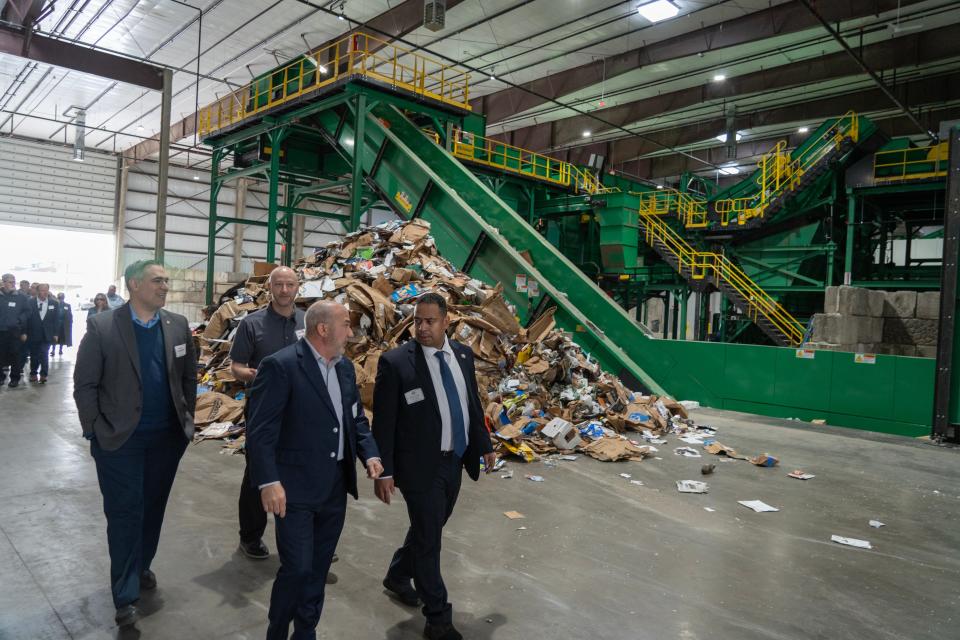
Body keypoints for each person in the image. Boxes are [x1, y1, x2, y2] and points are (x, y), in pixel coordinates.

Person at [246, 300, 382, 640]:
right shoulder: (281, 366)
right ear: (323, 329)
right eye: (346, 325)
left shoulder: (345, 369)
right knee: (297, 568)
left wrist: (370, 455)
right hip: (293, 489)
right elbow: (260, 431)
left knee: (318, 569)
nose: (351, 333)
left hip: (334, 487)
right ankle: (277, 631)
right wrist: (268, 481)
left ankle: (306, 632)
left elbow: (355, 420)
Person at [73, 260, 197, 628]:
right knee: (125, 514)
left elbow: (189, 376)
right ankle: (125, 595)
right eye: (158, 281)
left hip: (166, 438)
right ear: (134, 285)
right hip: (119, 440)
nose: (164, 286)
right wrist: (94, 428)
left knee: (153, 507)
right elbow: (85, 385)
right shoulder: (103, 326)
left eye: (166, 281)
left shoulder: (177, 326)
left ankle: (141, 564)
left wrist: (186, 419)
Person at [372, 292, 495, 640]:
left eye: (429, 321)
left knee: (431, 528)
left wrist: (483, 445)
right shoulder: (396, 363)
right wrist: (385, 471)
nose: (422, 328)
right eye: (417, 321)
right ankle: (438, 616)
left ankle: (398, 575)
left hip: (454, 460)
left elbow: (471, 403)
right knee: (430, 541)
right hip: (418, 467)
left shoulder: (462, 355)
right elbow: (384, 423)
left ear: (446, 321)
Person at [229, 266, 305, 561]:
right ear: (269, 288)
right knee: (258, 471)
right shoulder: (252, 323)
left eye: (290, 284)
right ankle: (250, 536)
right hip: (263, 410)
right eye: (279, 285)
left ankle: (300, 538)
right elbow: (235, 366)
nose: (284, 290)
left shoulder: (308, 321)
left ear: (298, 287)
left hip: (301, 410)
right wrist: (256, 375)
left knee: (300, 472)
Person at [25, 283, 59, 383]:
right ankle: (33, 373)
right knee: (34, 354)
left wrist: (56, 334)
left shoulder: (54, 303)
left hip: (47, 334)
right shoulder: (30, 302)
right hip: (33, 333)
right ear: (37, 291)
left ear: (48, 291)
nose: (44, 292)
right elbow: (26, 318)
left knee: (44, 353)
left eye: (46, 290)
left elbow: (56, 320)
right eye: (42, 290)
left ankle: (44, 375)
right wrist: (25, 332)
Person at [0, 273, 29, 388]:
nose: (13, 284)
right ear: (3, 282)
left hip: (15, 331)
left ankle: (15, 378)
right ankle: (0, 377)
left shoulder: (21, 297)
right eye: (10, 282)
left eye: (14, 282)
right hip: (1, 331)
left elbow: (27, 312)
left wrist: (19, 321)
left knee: (16, 356)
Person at [51, 292, 73, 357]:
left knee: (62, 338)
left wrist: (70, 322)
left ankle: (60, 349)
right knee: (55, 337)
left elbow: (70, 315)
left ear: (64, 298)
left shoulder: (67, 305)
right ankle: (53, 350)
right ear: (57, 297)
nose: (61, 299)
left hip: (63, 324)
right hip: (56, 324)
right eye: (60, 297)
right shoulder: (55, 304)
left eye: (62, 297)